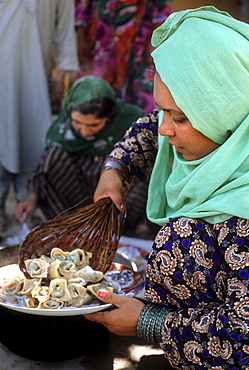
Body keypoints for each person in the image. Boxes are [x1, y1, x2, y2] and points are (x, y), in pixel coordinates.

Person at [83, 6, 249, 369]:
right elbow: (147, 130)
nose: (164, 129)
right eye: (163, 111)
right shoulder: (214, 142)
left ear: (226, 110)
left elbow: (245, 336)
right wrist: (115, 169)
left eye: (180, 117)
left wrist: (149, 323)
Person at [15, 76, 153, 236]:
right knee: (54, 155)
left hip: (118, 198)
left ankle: (127, 228)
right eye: (77, 123)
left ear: (109, 117)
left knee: (146, 161)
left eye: (94, 125)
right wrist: (31, 199)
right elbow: (43, 172)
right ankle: (73, 228)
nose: (85, 132)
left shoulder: (130, 119)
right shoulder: (61, 130)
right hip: (77, 196)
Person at [0, 0, 79, 231]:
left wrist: (64, 68)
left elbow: (65, 24)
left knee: (34, 135)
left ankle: (29, 204)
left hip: (35, 74)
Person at [74, 0, 172, 113]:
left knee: (144, 98)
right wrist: (80, 32)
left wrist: (155, 40)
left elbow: (162, 7)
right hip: (100, 38)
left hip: (140, 39)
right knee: (93, 99)